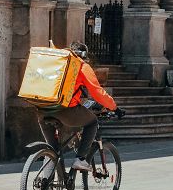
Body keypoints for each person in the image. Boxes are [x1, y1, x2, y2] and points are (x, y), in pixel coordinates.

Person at [42, 42, 118, 175]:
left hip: (42, 109)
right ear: (84, 55)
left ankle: (45, 184)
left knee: (53, 149)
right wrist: (114, 107)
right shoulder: (81, 66)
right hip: (64, 110)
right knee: (92, 122)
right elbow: (97, 92)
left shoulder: (57, 62)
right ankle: (81, 159)